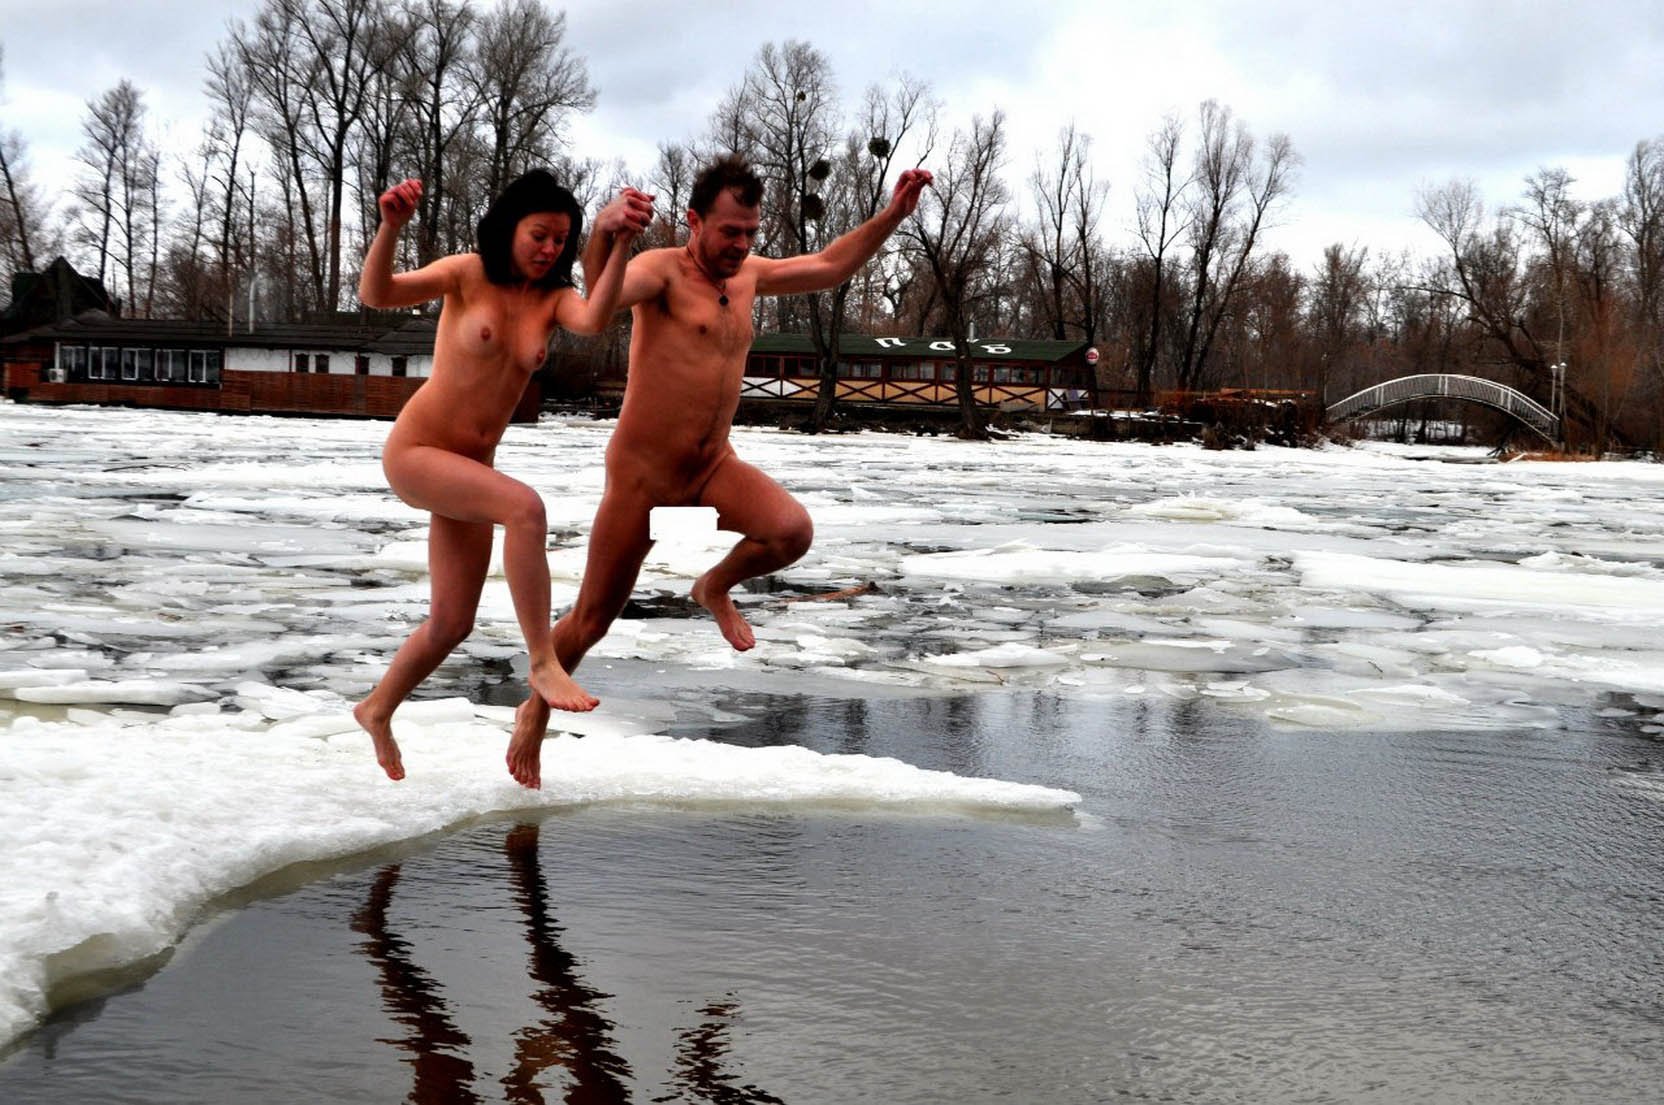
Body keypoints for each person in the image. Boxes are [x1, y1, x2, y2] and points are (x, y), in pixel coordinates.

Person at [504, 156, 932, 788]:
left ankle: (714, 586)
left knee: (789, 531)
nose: (742, 245)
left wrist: (892, 214)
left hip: (710, 471)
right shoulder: (661, 272)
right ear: (695, 221)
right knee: (592, 620)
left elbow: (830, 265)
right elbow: (600, 297)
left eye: (751, 232)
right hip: (644, 483)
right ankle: (533, 713)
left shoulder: (750, 275)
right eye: (730, 231)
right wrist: (604, 232)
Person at [353, 170, 648, 782]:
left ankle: (376, 709)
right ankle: (542, 659)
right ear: (509, 226)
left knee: (451, 623)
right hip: (418, 450)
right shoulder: (467, 273)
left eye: (560, 241)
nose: (550, 249)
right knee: (524, 508)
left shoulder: (553, 299)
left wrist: (620, 241)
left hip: (470, 469)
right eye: (539, 235)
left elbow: (595, 318)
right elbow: (377, 293)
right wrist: (390, 228)